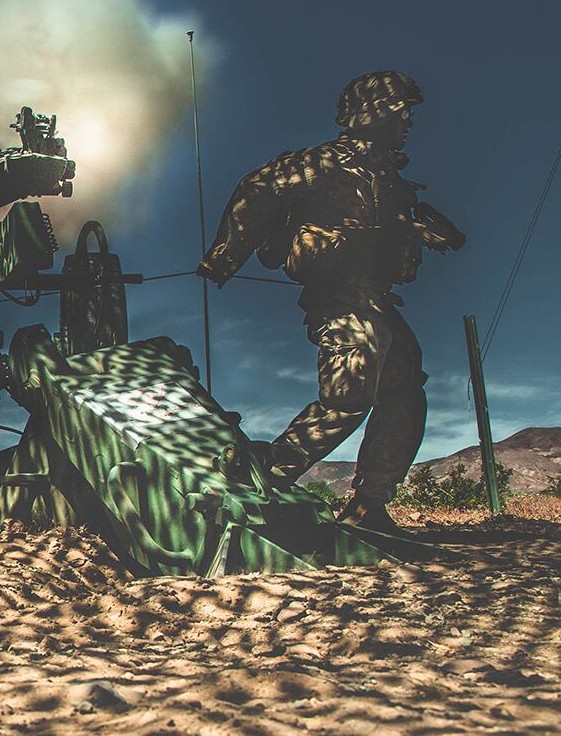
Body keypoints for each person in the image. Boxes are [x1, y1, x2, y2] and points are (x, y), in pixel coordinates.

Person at [197, 70, 465, 535]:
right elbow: (257, 188)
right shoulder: (323, 162)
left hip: (376, 298)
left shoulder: (389, 179)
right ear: (374, 113)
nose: (407, 122)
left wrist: (414, 231)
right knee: (348, 397)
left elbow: (387, 231)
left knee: (404, 392)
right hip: (340, 297)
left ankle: (369, 506)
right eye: (401, 111)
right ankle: (263, 476)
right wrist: (224, 256)